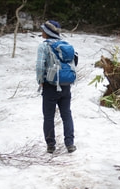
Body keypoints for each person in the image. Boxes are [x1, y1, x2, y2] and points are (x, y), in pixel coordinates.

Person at [36, 20, 76, 154]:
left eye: (43, 30)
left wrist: (41, 80)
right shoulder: (66, 45)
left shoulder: (44, 46)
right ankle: (70, 143)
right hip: (65, 86)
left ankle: (51, 145)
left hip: (50, 85)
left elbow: (40, 66)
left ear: (47, 32)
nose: (41, 32)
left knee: (48, 116)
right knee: (66, 114)